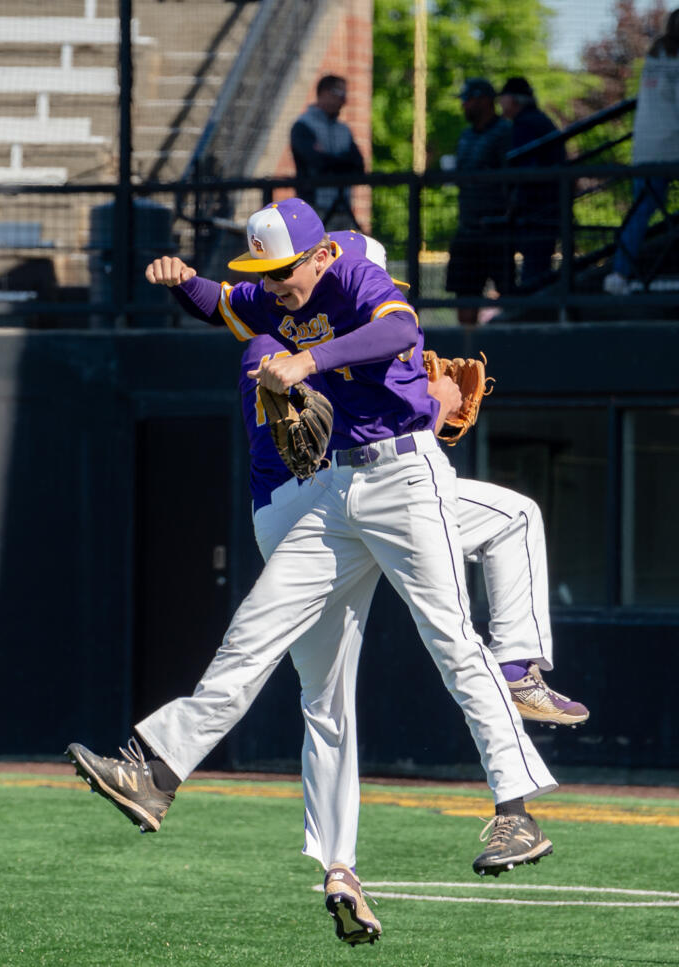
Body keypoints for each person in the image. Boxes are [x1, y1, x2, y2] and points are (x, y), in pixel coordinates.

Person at [67, 199, 557, 935]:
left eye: (286, 269)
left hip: (404, 479)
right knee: (253, 631)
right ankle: (158, 772)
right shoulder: (273, 290)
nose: (276, 284)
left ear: (323, 255)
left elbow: (401, 328)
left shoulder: (355, 276)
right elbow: (223, 303)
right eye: (266, 271)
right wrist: (182, 280)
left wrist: (310, 358)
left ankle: (515, 811)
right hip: (334, 491)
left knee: (453, 640)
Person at [603, 2, 679, 295]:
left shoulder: (656, 59)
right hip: (675, 151)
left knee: (641, 211)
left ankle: (619, 273)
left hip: (645, 150)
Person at [444, 78, 514, 326]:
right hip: (468, 226)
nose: (464, 105)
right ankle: (465, 354)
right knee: (465, 293)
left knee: (509, 292)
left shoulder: (505, 132)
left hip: (497, 228)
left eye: (468, 100)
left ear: (484, 101)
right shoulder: (465, 136)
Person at [498, 76, 566, 290]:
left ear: (513, 100)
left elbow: (525, 170)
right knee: (537, 266)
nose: (500, 103)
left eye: (503, 98)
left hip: (538, 210)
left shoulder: (526, 124)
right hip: (546, 208)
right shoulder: (538, 121)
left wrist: (515, 202)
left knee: (534, 273)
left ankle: (531, 313)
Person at [290, 75, 365, 229]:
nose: (344, 101)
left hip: (343, 209)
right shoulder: (303, 126)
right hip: (314, 211)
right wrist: (343, 161)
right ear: (324, 93)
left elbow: (358, 165)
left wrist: (329, 160)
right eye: (340, 94)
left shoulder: (344, 130)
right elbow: (315, 163)